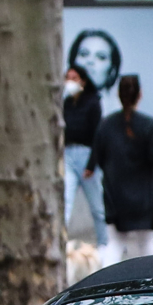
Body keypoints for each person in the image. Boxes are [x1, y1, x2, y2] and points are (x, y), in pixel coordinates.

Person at [93, 73, 153, 261]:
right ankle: (150, 286)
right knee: (146, 245)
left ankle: (108, 287)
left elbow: (99, 158)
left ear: (119, 95)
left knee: (115, 244)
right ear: (140, 94)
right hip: (144, 196)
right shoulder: (148, 125)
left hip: (115, 195)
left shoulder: (106, 125)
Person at [61, 63, 103, 234]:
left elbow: (97, 135)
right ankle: (61, 242)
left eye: (74, 78)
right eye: (68, 78)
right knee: (65, 203)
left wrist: (92, 164)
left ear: (83, 81)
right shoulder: (67, 103)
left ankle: (104, 244)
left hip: (86, 156)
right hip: (68, 154)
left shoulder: (93, 103)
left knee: (98, 207)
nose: (70, 82)